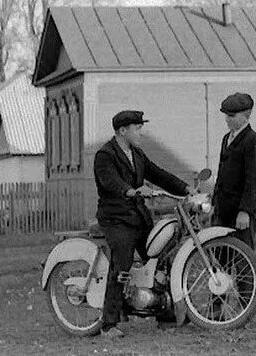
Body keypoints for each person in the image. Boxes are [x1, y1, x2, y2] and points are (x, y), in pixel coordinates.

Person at [93, 109, 194, 338]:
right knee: (123, 261)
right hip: (115, 218)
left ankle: (165, 315)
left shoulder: (136, 153)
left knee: (159, 258)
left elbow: (158, 174)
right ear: (122, 131)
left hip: (137, 216)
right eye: (137, 129)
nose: (140, 133)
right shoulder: (105, 155)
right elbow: (110, 182)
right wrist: (131, 191)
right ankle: (109, 323)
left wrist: (184, 188)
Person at [211, 92, 256, 249]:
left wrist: (245, 211)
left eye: (232, 116)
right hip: (223, 210)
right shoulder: (226, 139)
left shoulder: (252, 140)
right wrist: (215, 203)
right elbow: (221, 174)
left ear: (245, 116)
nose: (227, 119)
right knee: (221, 256)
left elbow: (253, 179)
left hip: (240, 212)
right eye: (226, 116)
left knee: (242, 256)